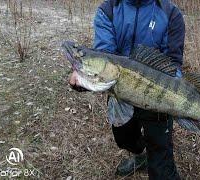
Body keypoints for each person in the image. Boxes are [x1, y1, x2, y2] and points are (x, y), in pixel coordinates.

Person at [69, 0, 185, 179]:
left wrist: (174, 97)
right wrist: (85, 81)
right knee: (125, 140)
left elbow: (173, 64)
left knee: (162, 167)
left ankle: (155, 158)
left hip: (158, 102)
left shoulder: (170, 13)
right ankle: (141, 155)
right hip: (120, 94)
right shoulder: (108, 10)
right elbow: (105, 54)